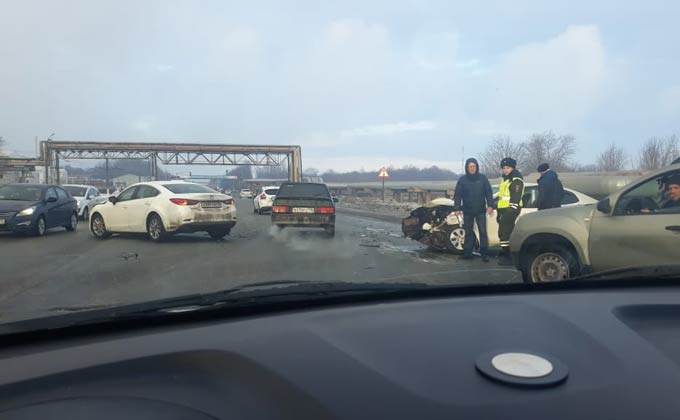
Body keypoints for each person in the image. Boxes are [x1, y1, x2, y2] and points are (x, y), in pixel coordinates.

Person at [453, 158, 494, 262]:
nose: (472, 168)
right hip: (467, 210)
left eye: (474, 166)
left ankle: (484, 253)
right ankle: (468, 253)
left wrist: (490, 205)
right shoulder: (462, 180)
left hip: (480, 210)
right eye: (470, 167)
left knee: (483, 232)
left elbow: (488, 192)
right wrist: (457, 208)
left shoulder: (483, 178)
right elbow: (457, 195)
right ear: (467, 168)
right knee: (468, 232)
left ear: (477, 167)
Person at [496, 157, 524, 264]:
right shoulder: (505, 179)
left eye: (508, 168)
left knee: (504, 233)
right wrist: (499, 212)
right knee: (505, 233)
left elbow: (515, 196)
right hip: (504, 209)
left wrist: (511, 209)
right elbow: (502, 197)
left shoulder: (516, 180)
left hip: (511, 209)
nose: (505, 170)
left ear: (513, 168)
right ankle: (508, 254)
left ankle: (507, 256)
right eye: (503, 168)